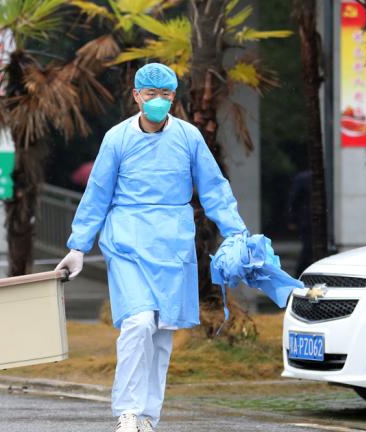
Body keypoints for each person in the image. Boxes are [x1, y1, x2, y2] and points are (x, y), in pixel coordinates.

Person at [56, 63, 250, 432]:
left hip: (173, 243)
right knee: (138, 322)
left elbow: (214, 189)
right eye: (150, 94)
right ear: (136, 96)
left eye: (165, 95)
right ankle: (127, 411)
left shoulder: (189, 138)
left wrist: (236, 232)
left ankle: (148, 416)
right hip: (127, 241)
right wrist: (78, 246)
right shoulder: (117, 139)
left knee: (162, 330)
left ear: (173, 98)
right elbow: (97, 194)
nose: (157, 101)